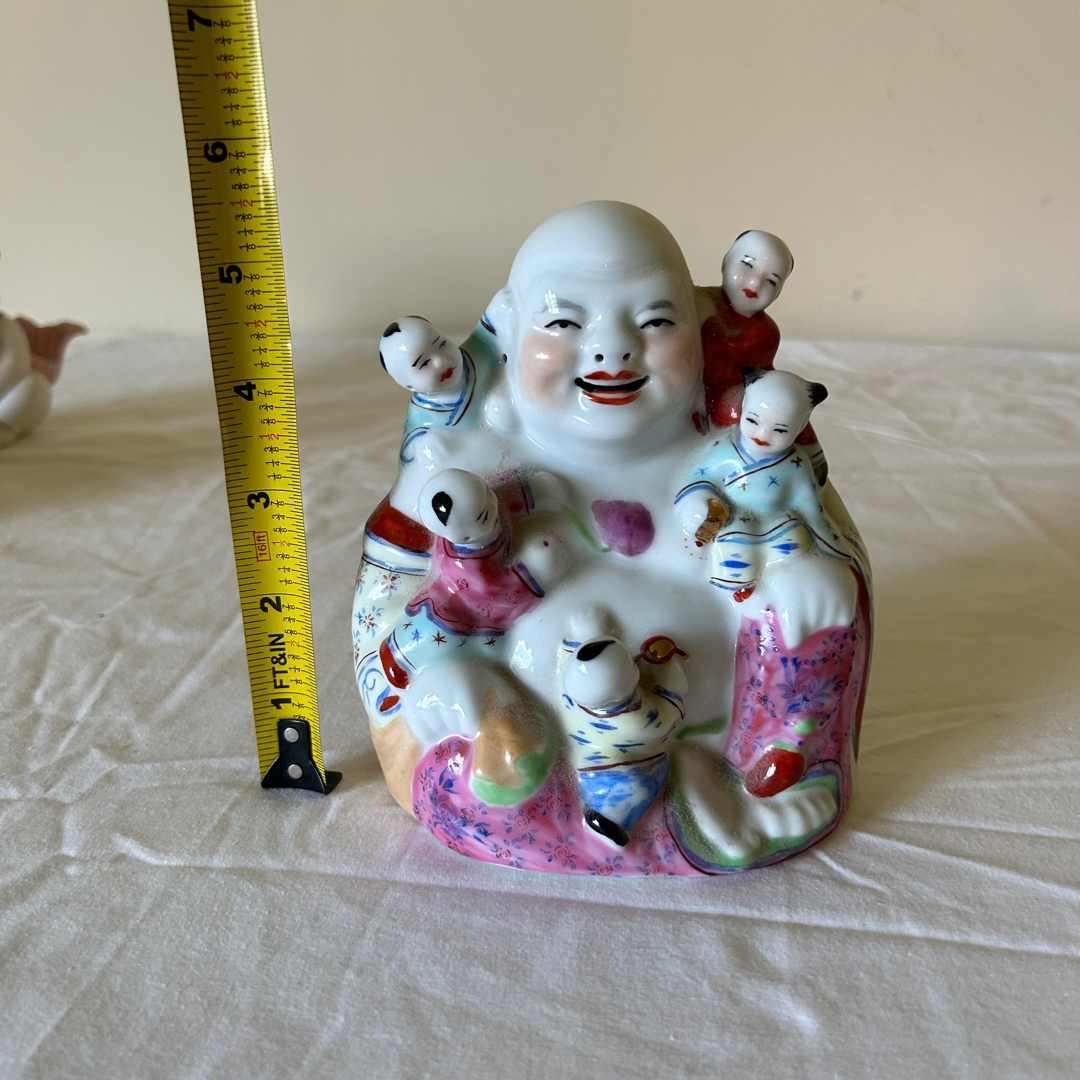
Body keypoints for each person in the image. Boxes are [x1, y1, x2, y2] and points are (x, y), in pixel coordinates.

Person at [675, 367, 850, 603]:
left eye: (780, 430)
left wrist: (829, 540)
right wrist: (701, 501)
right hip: (734, 518)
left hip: (776, 519)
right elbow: (698, 479)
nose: (762, 434)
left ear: (800, 427)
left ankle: (783, 583)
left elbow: (808, 503)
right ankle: (736, 591)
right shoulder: (725, 452)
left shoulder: (795, 463)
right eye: (752, 420)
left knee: (794, 540)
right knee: (735, 545)